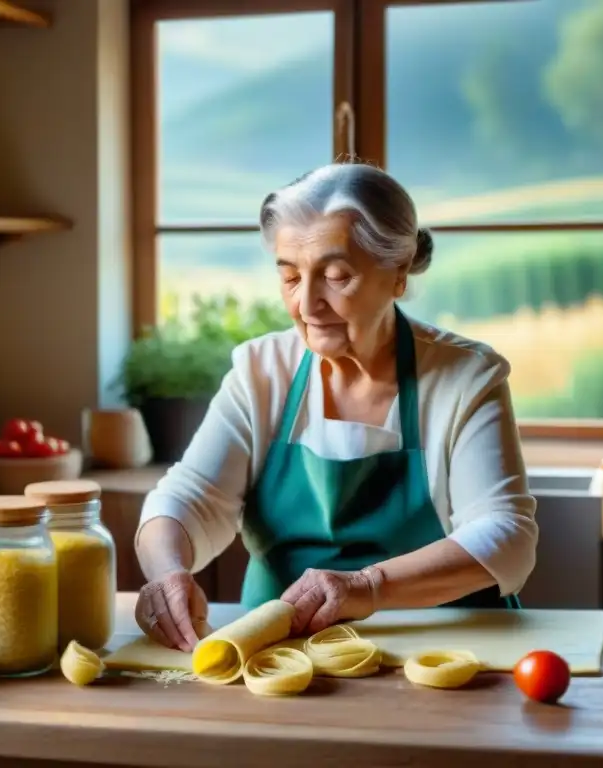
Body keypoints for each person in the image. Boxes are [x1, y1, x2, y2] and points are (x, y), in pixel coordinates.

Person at [134, 162, 538, 652]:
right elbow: (184, 498)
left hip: (446, 657)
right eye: (289, 277)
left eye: (335, 276)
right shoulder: (261, 371)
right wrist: (167, 574)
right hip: (282, 656)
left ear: (398, 272)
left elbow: (507, 538)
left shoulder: (465, 377)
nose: (307, 304)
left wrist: (367, 587)